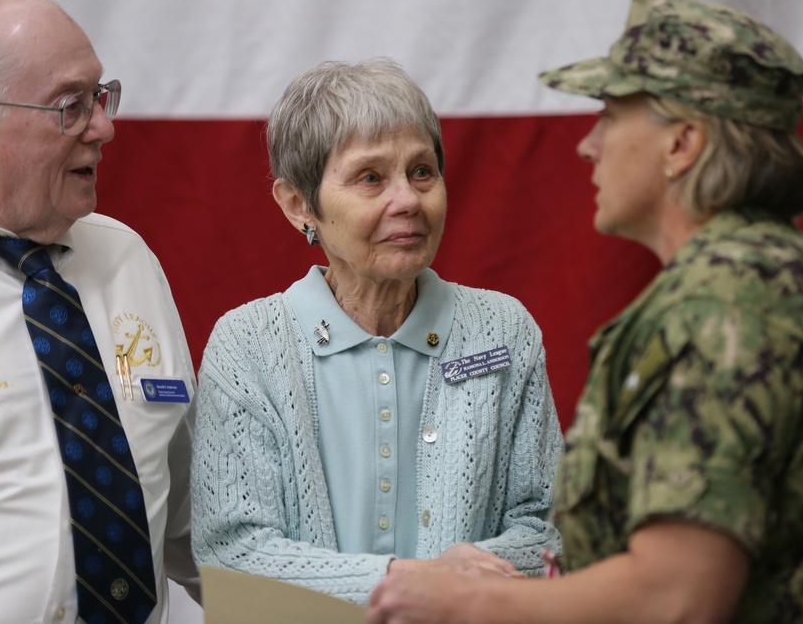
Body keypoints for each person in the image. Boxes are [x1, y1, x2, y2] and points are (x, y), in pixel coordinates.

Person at [367, 0, 803, 624]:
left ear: (682, 144)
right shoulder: (795, 278)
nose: (589, 145)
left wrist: (470, 600)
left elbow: (678, 595)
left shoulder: (722, 310)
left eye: (612, 117)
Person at [190, 57, 562, 605]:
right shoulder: (247, 345)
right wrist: (412, 581)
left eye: (422, 171)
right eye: (370, 178)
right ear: (298, 205)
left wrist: (446, 589)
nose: (408, 200)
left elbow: (548, 531)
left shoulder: (504, 331)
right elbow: (231, 555)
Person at [0, 0, 199, 623]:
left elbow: (190, 529)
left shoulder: (127, 259)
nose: (105, 127)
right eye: (71, 105)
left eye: (100, 95)